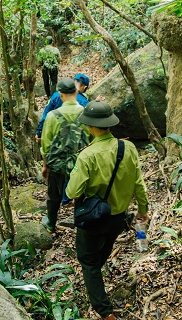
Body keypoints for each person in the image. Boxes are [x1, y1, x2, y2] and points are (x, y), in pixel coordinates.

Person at [66, 101, 149, 320]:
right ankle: (96, 279)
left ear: (90, 127)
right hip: (118, 217)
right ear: (110, 124)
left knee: (88, 260)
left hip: (94, 218)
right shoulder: (128, 148)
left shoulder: (87, 156)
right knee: (104, 245)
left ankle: (104, 312)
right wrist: (143, 209)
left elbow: (74, 192)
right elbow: (139, 183)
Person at [40, 78, 90, 233]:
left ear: (60, 94)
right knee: (81, 194)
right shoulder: (85, 112)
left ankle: (51, 223)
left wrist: (45, 165)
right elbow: (91, 137)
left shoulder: (52, 116)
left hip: (58, 164)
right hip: (80, 162)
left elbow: (46, 145)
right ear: (76, 91)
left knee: (54, 195)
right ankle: (81, 224)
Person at [35, 73, 90, 143]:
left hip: (55, 141)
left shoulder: (56, 95)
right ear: (84, 87)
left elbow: (45, 115)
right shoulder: (85, 102)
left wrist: (39, 132)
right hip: (76, 143)